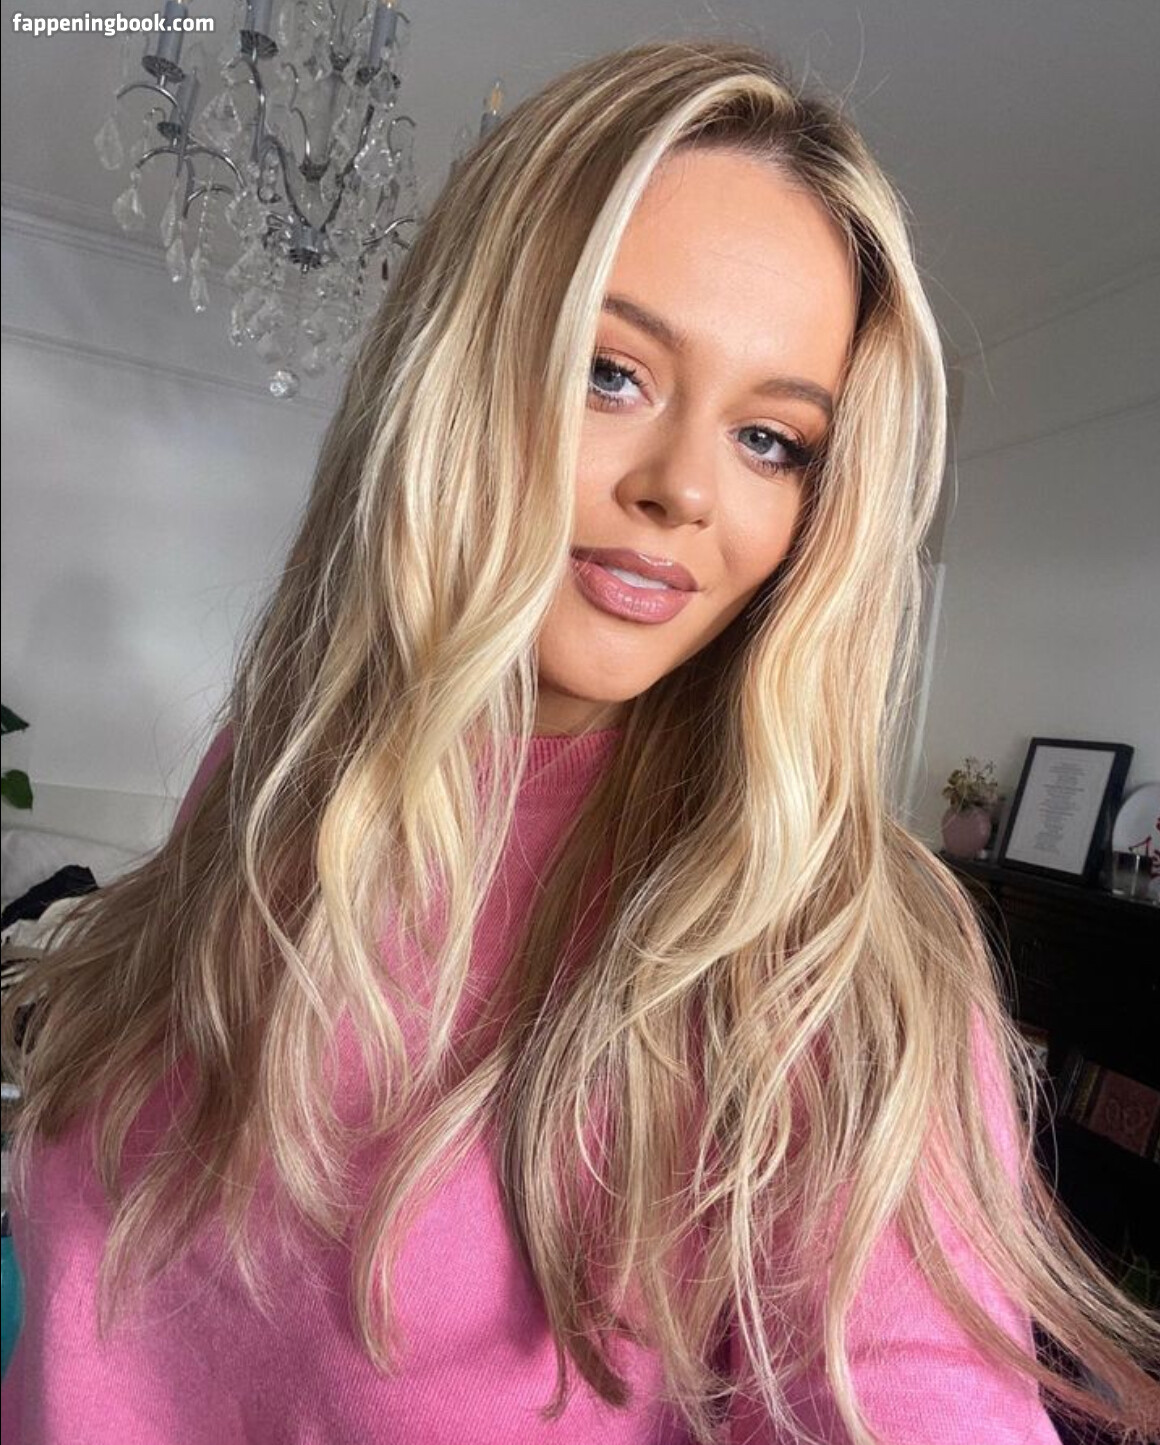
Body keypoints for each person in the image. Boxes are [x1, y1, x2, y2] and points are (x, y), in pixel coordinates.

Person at [2, 39, 1157, 1445]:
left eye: (773, 440)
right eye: (612, 373)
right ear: (457, 371)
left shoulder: (837, 964)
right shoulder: (278, 768)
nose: (683, 489)